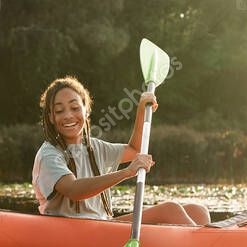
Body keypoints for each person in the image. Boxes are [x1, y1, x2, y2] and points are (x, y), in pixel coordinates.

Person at [32, 76, 209, 225]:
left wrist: (141, 111)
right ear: (51, 117)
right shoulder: (50, 155)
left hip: (102, 224)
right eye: (60, 110)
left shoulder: (96, 147)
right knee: (171, 210)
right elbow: (73, 189)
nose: (68, 115)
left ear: (86, 111)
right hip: (74, 232)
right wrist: (127, 172)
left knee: (198, 211)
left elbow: (134, 149)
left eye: (75, 108)